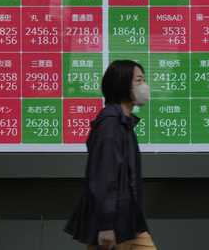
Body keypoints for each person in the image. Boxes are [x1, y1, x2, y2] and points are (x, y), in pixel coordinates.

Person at [64, 60, 157, 250]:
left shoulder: (123, 123)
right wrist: (106, 225)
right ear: (122, 84)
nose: (145, 87)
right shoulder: (110, 126)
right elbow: (103, 177)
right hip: (115, 224)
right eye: (139, 81)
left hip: (129, 222)